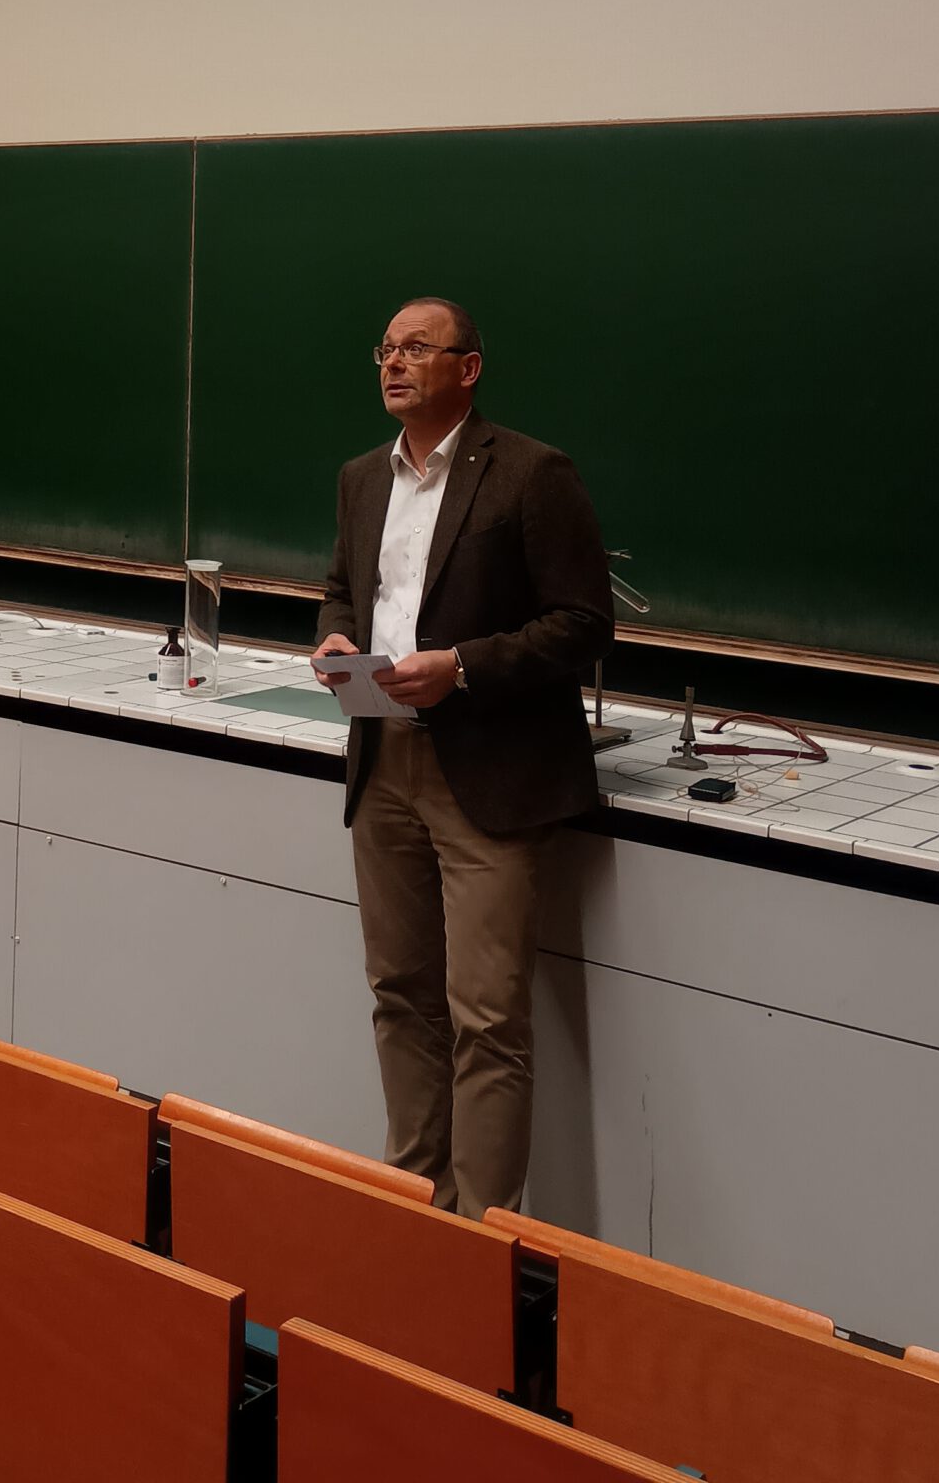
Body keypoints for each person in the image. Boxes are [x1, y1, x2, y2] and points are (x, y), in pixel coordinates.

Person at [312, 294, 613, 1216]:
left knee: (487, 1019)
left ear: (468, 368)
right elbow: (342, 590)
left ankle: (482, 1240)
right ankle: (416, 1206)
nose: (394, 363)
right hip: (382, 761)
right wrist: (334, 638)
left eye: (417, 348)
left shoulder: (530, 473)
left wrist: (463, 668)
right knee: (401, 995)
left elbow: (583, 624)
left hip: (490, 775)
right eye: (385, 350)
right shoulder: (362, 479)